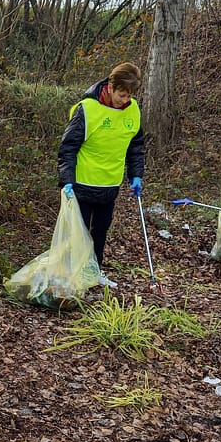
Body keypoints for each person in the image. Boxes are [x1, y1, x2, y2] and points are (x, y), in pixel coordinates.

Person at [57, 62, 145, 288]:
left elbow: (135, 145)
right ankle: (70, 277)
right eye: (121, 94)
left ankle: (93, 273)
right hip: (82, 184)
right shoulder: (87, 109)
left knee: (101, 232)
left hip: (110, 185)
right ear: (111, 85)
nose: (125, 100)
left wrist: (136, 174)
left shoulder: (133, 110)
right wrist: (66, 180)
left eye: (129, 95)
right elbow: (68, 147)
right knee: (78, 234)